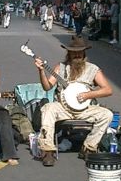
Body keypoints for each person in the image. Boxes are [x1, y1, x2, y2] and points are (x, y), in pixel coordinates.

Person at [33, 37, 113, 166]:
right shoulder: (61, 67)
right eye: (73, 52)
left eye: (80, 52)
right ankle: (48, 150)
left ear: (84, 53)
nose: (77, 55)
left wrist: (89, 94)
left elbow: (108, 90)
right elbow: (47, 87)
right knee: (48, 109)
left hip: (85, 109)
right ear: (68, 53)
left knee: (106, 114)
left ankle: (88, 148)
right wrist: (41, 71)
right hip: (63, 108)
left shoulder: (93, 69)